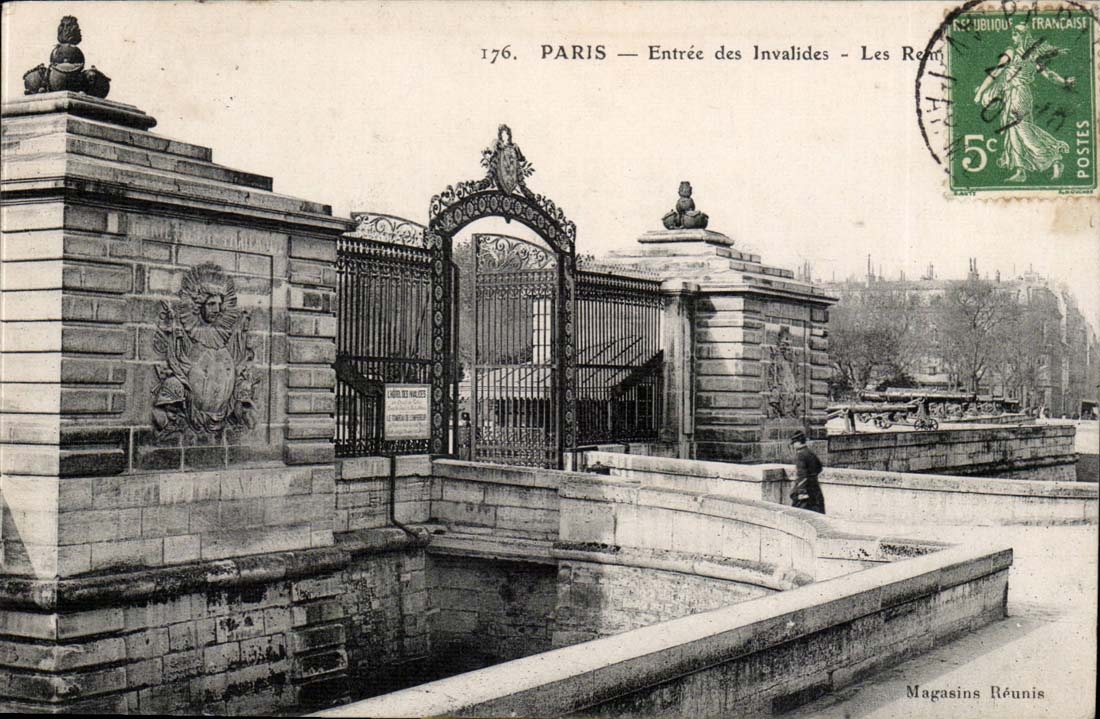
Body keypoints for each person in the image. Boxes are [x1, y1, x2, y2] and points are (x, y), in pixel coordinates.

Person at [973, 24, 1074, 182]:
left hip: (1018, 94)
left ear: (1023, 36)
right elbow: (1050, 75)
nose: (1013, 36)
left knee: (1022, 130)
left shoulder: (1012, 53)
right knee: (1013, 132)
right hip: (1014, 94)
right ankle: (1021, 171)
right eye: (1014, 33)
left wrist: (980, 93)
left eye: (1017, 33)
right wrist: (1065, 81)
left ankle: (1054, 155)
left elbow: (995, 73)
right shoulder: (1032, 55)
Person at [789, 430, 826, 514]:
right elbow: (819, 467)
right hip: (815, 488)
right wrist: (813, 476)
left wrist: (802, 492)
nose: (793, 446)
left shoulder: (800, 455)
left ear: (798, 442)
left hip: (805, 490)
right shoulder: (810, 453)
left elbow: (802, 474)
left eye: (794, 443)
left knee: (799, 514)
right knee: (817, 512)